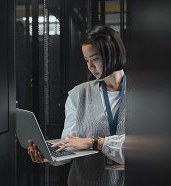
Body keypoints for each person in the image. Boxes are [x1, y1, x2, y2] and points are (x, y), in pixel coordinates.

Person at [28, 25, 126, 186]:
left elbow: (144, 147)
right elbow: (70, 143)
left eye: (95, 59)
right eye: (86, 60)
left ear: (112, 54)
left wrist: (94, 142)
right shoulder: (77, 94)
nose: (90, 66)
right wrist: (49, 155)